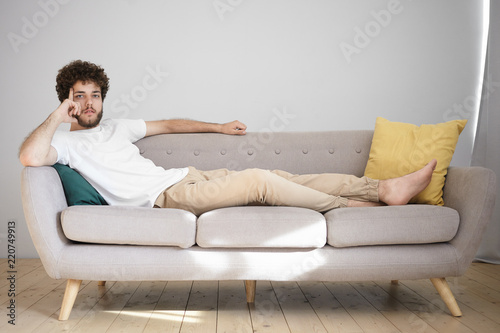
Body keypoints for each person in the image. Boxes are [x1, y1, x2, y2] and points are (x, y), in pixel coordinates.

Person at [19, 60, 437, 216]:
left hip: (183, 176)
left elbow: (168, 124)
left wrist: (218, 127)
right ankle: (350, 206)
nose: (89, 103)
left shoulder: (116, 125)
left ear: (103, 98)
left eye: (95, 95)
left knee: (280, 175)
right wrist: (57, 117)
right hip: (166, 200)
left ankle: (382, 188)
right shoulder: (66, 144)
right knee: (258, 181)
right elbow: (29, 157)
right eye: (80, 97)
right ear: (68, 100)